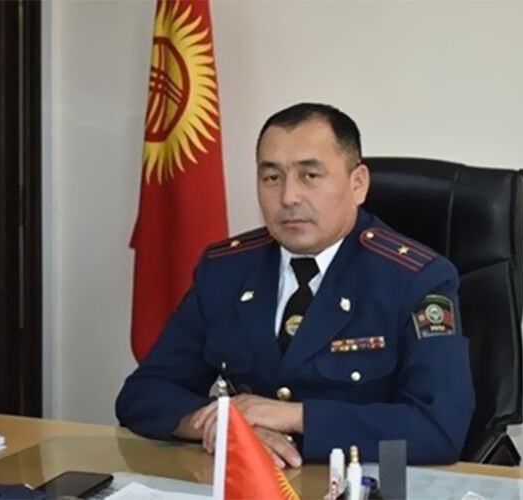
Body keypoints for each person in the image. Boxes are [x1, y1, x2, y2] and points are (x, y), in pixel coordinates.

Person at [116, 103, 474, 468]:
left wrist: (293, 417)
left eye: (310, 176)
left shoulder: (415, 278)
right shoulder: (226, 269)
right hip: (250, 481)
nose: (288, 197)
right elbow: (144, 393)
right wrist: (221, 425)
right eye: (272, 178)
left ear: (358, 184)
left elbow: (439, 428)